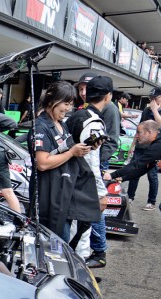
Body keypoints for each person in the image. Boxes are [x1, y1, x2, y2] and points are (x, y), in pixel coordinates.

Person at [29, 81, 97, 242]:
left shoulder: (61, 124)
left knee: (62, 242)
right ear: (52, 101)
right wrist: (72, 152)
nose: (68, 108)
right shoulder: (41, 127)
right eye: (66, 103)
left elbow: (66, 150)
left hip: (63, 192)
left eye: (71, 104)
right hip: (47, 194)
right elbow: (42, 163)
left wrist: (84, 148)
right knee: (53, 244)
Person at [66, 76, 113, 268]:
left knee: (75, 230)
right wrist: (101, 193)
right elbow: (92, 162)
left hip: (70, 180)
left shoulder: (77, 116)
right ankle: (77, 274)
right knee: (80, 233)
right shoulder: (93, 122)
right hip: (82, 185)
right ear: (108, 96)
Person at [104, 120, 161, 223]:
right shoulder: (158, 143)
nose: (136, 136)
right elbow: (143, 168)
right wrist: (122, 178)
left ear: (149, 132)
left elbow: (136, 164)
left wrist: (112, 175)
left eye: (139, 132)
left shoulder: (160, 145)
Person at [126, 87, 161, 210]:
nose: (153, 101)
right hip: (141, 146)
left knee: (152, 175)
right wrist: (133, 145)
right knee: (134, 172)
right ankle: (130, 197)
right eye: (151, 98)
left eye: (155, 98)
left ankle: (151, 202)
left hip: (155, 149)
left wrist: (155, 110)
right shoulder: (146, 110)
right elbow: (139, 128)